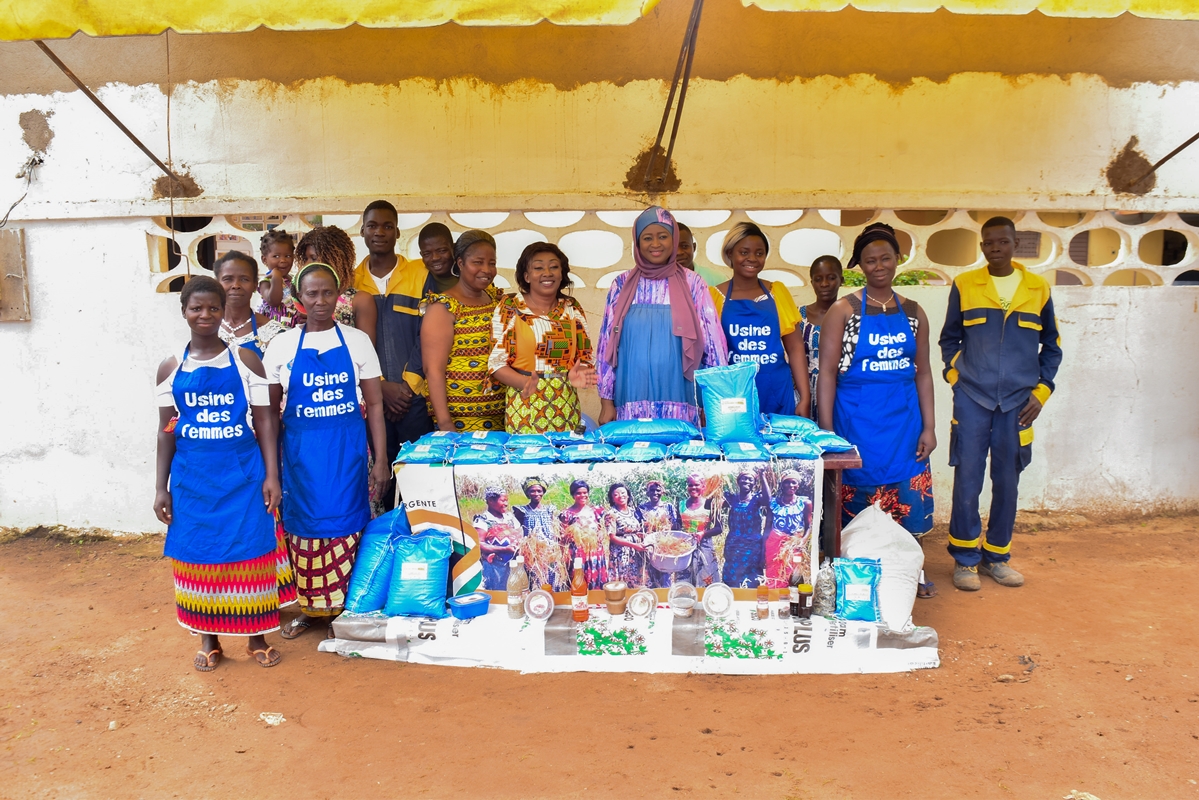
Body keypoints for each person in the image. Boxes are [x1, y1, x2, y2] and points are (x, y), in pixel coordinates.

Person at [153, 276, 291, 671]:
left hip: (242, 477)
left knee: (251, 552)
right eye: (196, 308)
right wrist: (161, 488)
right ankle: (209, 640)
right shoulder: (170, 367)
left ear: (222, 310)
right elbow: (165, 430)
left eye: (213, 307)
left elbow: (265, 420)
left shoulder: (246, 360)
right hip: (192, 481)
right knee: (197, 555)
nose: (205, 315)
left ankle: (256, 638)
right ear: (184, 311)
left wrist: (272, 475)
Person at [264, 263, 390, 638]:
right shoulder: (282, 345)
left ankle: (344, 611)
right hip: (300, 457)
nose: (320, 301)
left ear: (338, 296)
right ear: (299, 299)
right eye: (312, 294)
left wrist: (381, 460)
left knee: (348, 528)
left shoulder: (357, 341)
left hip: (347, 453)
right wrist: (271, 470)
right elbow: (268, 412)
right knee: (303, 532)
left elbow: (376, 404)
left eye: (327, 293)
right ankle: (312, 610)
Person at [940, 216, 1063, 592]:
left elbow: (1052, 346)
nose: (996, 248)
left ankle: (997, 556)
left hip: (1018, 403)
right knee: (967, 478)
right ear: (982, 247)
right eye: (989, 243)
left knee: (1008, 479)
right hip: (973, 398)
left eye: (1003, 242)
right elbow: (949, 339)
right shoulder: (965, 285)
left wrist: (1041, 392)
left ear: (1015, 244)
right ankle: (965, 559)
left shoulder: (1037, 288)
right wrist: (956, 378)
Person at [818, 223, 937, 539]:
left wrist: (929, 427)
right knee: (855, 527)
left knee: (903, 523)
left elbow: (923, 372)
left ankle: (906, 561)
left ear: (898, 258)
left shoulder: (914, 313)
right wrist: (827, 433)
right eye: (870, 261)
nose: (879, 266)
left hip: (904, 427)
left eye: (886, 258)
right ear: (860, 265)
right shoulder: (843, 311)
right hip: (856, 425)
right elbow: (827, 373)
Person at [596, 206, 728, 425]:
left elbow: (713, 345)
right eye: (647, 238)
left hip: (683, 398)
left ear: (673, 240)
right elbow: (606, 346)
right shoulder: (621, 284)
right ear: (637, 243)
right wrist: (606, 402)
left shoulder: (693, 283)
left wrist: (713, 401)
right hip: (631, 397)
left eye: (663, 236)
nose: (655, 244)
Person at [352, 201, 437, 504]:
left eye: (387, 226)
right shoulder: (351, 282)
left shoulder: (420, 274)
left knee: (418, 478)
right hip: (371, 399)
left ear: (398, 232)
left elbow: (428, 334)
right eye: (372, 226)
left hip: (413, 398)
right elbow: (353, 343)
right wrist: (379, 386)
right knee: (379, 481)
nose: (379, 232)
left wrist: (407, 386)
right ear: (362, 231)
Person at [488, 242, 596, 433]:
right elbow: (496, 363)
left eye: (554, 267)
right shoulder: (511, 307)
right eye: (538, 268)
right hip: (524, 406)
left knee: (566, 452)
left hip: (565, 406)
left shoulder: (572, 308)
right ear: (526, 276)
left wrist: (579, 374)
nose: (547, 273)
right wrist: (525, 383)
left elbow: (585, 357)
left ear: (562, 273)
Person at [709, 223, 810, 417]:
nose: (752, 259)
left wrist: (805, 397)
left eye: (759, 253)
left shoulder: (777, 292)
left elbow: (795, 348)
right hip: (733, 393)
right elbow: (708, 354)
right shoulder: (714, 296)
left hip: (777, 390)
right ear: (729, 254)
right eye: (744, 252)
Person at [421, 230, 505, 432]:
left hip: (503, 418)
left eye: (492, 263)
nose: (486, 270)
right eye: (478, 262)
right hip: (461, 423)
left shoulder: (496, 300)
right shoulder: (443, 307)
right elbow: (433, 370)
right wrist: (445, 424)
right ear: (460, 263)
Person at [295, 225, 376, 337]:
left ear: (335, 259)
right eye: (305, 258)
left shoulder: (360, 300)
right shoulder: (302, 296)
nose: (307, 264)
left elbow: (366, 345)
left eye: (313, 258)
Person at [213, 252, 285, 357]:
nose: (236, 285)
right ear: (217, 284)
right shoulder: (205, 328)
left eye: (244, 279)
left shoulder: (273, 333)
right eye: (228, 279)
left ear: (255, 285)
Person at [800, 255, 843, 421]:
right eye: (818, 279)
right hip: (805, 393)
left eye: (831, 278)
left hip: (840, 392)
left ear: (841, 280)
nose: (824, 284)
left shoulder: (850, 317)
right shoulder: (799, 316)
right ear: (812, 282)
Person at [513, 476, 566, 591]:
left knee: (551, 578)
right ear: (527, 493)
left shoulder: (549, 509)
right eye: (532, 491)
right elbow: (518, 531)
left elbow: (555, 529)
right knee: (535, 580)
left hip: (549, 552)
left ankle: (552, 600)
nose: (536, 494)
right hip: (533, 553)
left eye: (539, 491)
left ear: (543, 492)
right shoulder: (522, 510)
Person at [763, 469, 812, 587]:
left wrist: (802, 542)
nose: (790, 485)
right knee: (774, 574)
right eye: (787, 482)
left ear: (798, 485)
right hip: (774, 544)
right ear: (782, 485)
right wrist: (763, 548)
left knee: (794, 573)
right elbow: (768, 527)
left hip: (794, 545)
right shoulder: (773, 503)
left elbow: (808, 526)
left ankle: (791, 596)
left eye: (794, 482)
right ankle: (774, 595)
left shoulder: (805, 503)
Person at [721, 470, 768, 588]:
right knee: (732, 577)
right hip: (733, 546)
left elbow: (768, 501)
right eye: (744, 478)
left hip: (752, 547)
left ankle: (750, 598)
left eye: (750, 479)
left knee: (752, 578)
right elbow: (709, 505)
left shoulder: (757, 499)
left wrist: (762, 476)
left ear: (754, 483)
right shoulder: (731, 498)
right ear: (738, 481)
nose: (746, 481)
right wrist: (715, 483)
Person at [559, 479, 608, 589]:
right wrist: (571, 535)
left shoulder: (595, 511)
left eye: (585, 492)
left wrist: (601, 533)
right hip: (578, 554)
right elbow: (562, 536)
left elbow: (600, 528)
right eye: (578, 493)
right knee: (579, 583)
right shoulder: (566, 514)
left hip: (595, 552)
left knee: (596, 582)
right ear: (573, 495)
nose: (582, 495)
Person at [678, 473, 723, 586]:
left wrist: (703, 533)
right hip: (685, 548)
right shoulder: (681, 504)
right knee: (685, 581)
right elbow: (677, 526)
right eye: (690, 485)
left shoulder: (710, 504)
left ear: (703, 486)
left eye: (697, 485)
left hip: (705, 547)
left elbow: (719, 528)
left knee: (706, 579)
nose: (693, 487)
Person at [473, 487, 522, 590]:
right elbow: (479, 544)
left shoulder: (509, 517)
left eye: (507, 500)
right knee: (499, 593)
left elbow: (519, 533)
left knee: (515, 592)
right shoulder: (483, 520)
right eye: (503, 500)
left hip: (513, 564)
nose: (506, 504)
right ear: (491, 501)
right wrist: (504, 549)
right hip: (495, 567)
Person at [637, 480, 680, 587]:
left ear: (662, 492)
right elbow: (637, 528)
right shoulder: (642, 508)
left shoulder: (668, 507)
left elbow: (675, 527)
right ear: (648, 492)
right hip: (649, 547)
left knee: (665, 576)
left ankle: (665, 596)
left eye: (658, 490)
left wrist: (666, 528)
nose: (655, 493)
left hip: (664, 548)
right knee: (650, 577)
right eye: (652, 490)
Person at [604, 482, 647, 587]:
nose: (620, 496)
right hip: (621, 553)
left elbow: (634, 530)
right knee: (622, 581)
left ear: (628, 495)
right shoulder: (611, 514)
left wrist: (641, 536)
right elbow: (612, 537)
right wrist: (633, 545)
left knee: (636, 581)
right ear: (612, 498)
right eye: (616, 494)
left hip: (636, 552)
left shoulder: (633, 512)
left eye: (623, 493)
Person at [256, 228, 296, 326]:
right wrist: (276, 278)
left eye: (287, 256)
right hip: (274, 328)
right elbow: (273, 301)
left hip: (294, 326)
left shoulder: (294, 279)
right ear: (265, 260)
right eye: (276, 256)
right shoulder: (265, 281)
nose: (283, 260)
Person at [677, 222, 727, 287]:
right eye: (673, 248)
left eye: (684, 246)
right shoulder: (663, 281)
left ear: (694, 247)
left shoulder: (717, 280)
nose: (679, 252)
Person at [418, 222, 458, 293]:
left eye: (442, 251)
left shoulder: (469, 275)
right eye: (427, 254)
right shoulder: (419, 278)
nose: (435, 258)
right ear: (421, 255)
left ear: (453, 248)